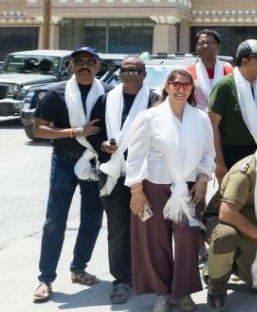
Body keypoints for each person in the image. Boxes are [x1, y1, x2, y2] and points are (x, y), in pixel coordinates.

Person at [126, 69, 216, 312]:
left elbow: (208, 152)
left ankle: (183, 292)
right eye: (176, 84)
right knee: (156, 242)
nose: (180, 89)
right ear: (166, 86)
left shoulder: (200, 118)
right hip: (154, 186)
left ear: (192, 89)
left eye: (186, 85)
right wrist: (136, 190)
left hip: (189, 188)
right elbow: (135, 156)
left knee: (188, 238)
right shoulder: (149, 117)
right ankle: (163, 293)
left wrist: (203, 179)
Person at [32, 47, 111, 303]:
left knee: (92, 220)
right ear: (71, 65)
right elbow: (39, 129)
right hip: (64, 162)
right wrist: (75, 132)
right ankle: (45, 278)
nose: (84, 65)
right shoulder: (56, 93)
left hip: (96, 163)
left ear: (98, 66)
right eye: (79, 61)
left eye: (90, 61)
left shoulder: (109, 94)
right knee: (55, 221)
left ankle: (79, 269)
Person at [203, 131, 257, 310]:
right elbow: (226, 213)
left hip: (252, 224)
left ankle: (223, 263)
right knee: (226, 236)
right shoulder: (244, 172)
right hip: (221, 221)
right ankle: (216, 287)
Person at [94, 56, 156, 304]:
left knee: (148, 227)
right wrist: (102, 145)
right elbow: (95, 130)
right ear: (119, 73)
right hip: (114, 173)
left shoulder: (154, 100)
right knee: (118, 229)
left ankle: (148, 274)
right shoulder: (106, 99)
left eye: (136, 70)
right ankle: (121, 279)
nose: (130, 74)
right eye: (126, 70)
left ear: (144, 74)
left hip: (147, 174)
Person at [209, 39, 257, 182]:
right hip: (232, 153)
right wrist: (219, 162)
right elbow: (212, 125)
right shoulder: (224, 86)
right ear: (245, 61)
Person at [188, 29, 233, 110]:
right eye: (201, 43)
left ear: (218, 47)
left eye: (210, 43)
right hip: (197, 116)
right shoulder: (188, 73)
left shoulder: (230, 71)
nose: (205, 46)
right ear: (196, 48)